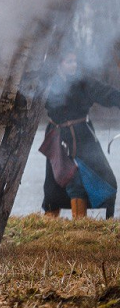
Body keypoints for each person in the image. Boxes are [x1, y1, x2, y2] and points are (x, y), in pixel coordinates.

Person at [40, 52, 120, 219]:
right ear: (59, 64)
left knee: (105, 181)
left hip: (82, 137)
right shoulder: (48, 83)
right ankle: (50, 223)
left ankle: (81, 225)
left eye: (75, 61)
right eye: (69, 62)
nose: (74, 65)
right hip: (57, 139)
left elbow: (106, 93)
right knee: (54, 187)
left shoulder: (83, 82)